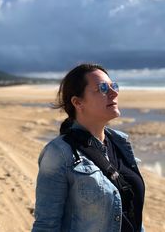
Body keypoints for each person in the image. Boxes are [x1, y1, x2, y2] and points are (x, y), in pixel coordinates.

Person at [31, 63, 145, 232]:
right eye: (103, 88)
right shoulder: (59, 153)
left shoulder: (120, 143)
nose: (114, 93)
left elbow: (132, 214)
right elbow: (45, 226)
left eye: (114, 86)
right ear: (78, 102)